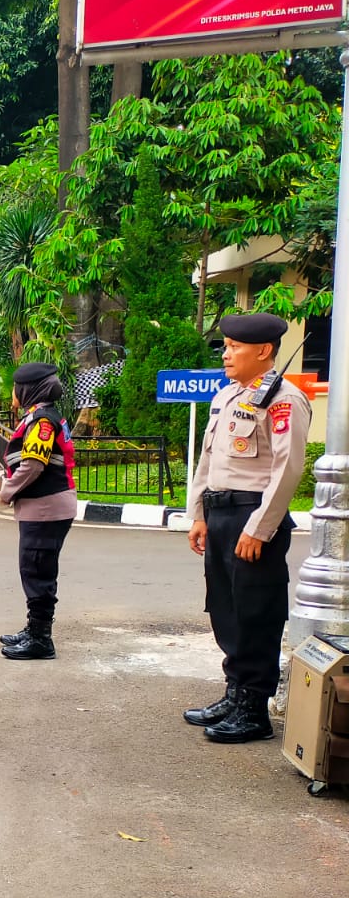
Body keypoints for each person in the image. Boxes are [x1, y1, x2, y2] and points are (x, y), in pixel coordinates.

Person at [182, 311, 312, 743]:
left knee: (256, 611)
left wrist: (261, 528)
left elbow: (287, 468)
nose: (226, 353)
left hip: (252, 516)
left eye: (235, 347)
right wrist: (198, 514)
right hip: (221, 513)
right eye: (226, 346)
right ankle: (235, 693)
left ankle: (253, 709)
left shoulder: (282, 400)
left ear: (263, 351)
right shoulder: (227, 397)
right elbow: (207, 461)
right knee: (226, 607)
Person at [0, 362, 78, 663]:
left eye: (17, 386)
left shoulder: (42, 421)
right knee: (34, 570)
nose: (13, 392)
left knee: (37, 572)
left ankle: (41, 639)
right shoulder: (41, 417)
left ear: (27, 389)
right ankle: (34, 629)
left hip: (46, 507)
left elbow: (33, 464)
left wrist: (7, 490)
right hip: (43, 507)